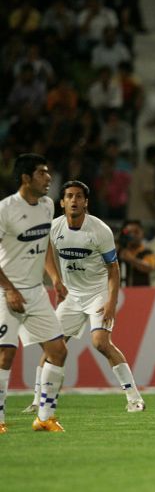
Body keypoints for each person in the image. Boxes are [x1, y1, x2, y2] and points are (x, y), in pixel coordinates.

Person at [26, 181, 145, 414]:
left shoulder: (100, 230)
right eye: (69, 196)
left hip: (98, 293)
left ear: (86, 202)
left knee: (101, 343)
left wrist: (111, 302)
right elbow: (46, 251)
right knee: (52, 346)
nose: (74, 200)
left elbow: (113, 269)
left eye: (79, 196)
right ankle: (38, 401)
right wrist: (56, 280)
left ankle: (134, 398)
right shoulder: (54, 227)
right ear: (62, 202)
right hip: (72, 296)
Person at [0, 154, 67, 433]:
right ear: (25, 178)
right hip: (6, 291)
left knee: (58, 351)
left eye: (48, 172)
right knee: (5, 355)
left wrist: (55, 277)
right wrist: (9, 289)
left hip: (36, 292)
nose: (48, 178)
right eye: (41, 173)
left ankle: (44, 417)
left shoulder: (48, 205)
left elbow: (44, 242)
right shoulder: (5, 210)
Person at [118, 220, 155, 287]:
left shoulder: (148, 252)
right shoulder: (116, 252)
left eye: (136, 232)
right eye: (128, 232)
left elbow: (149, 267)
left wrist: (131, 259)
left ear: (142, 233)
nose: (132, 235)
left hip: (140, 292)